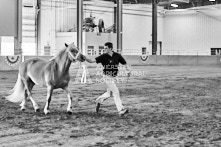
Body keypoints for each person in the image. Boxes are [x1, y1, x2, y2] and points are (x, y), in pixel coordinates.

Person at [84, 42, 131, 117]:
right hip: (106, 77)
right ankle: (120, 110)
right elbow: (92, 61)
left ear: (110, 48)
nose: (104, 49)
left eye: (106, 48)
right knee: (116, 92)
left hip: (113, 77)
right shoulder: (103, 56)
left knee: (109, 94)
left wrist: (128, 70)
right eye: (104, 48)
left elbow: (124, 63)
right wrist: (85, 58)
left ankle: (98, 101)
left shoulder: (117, 56)